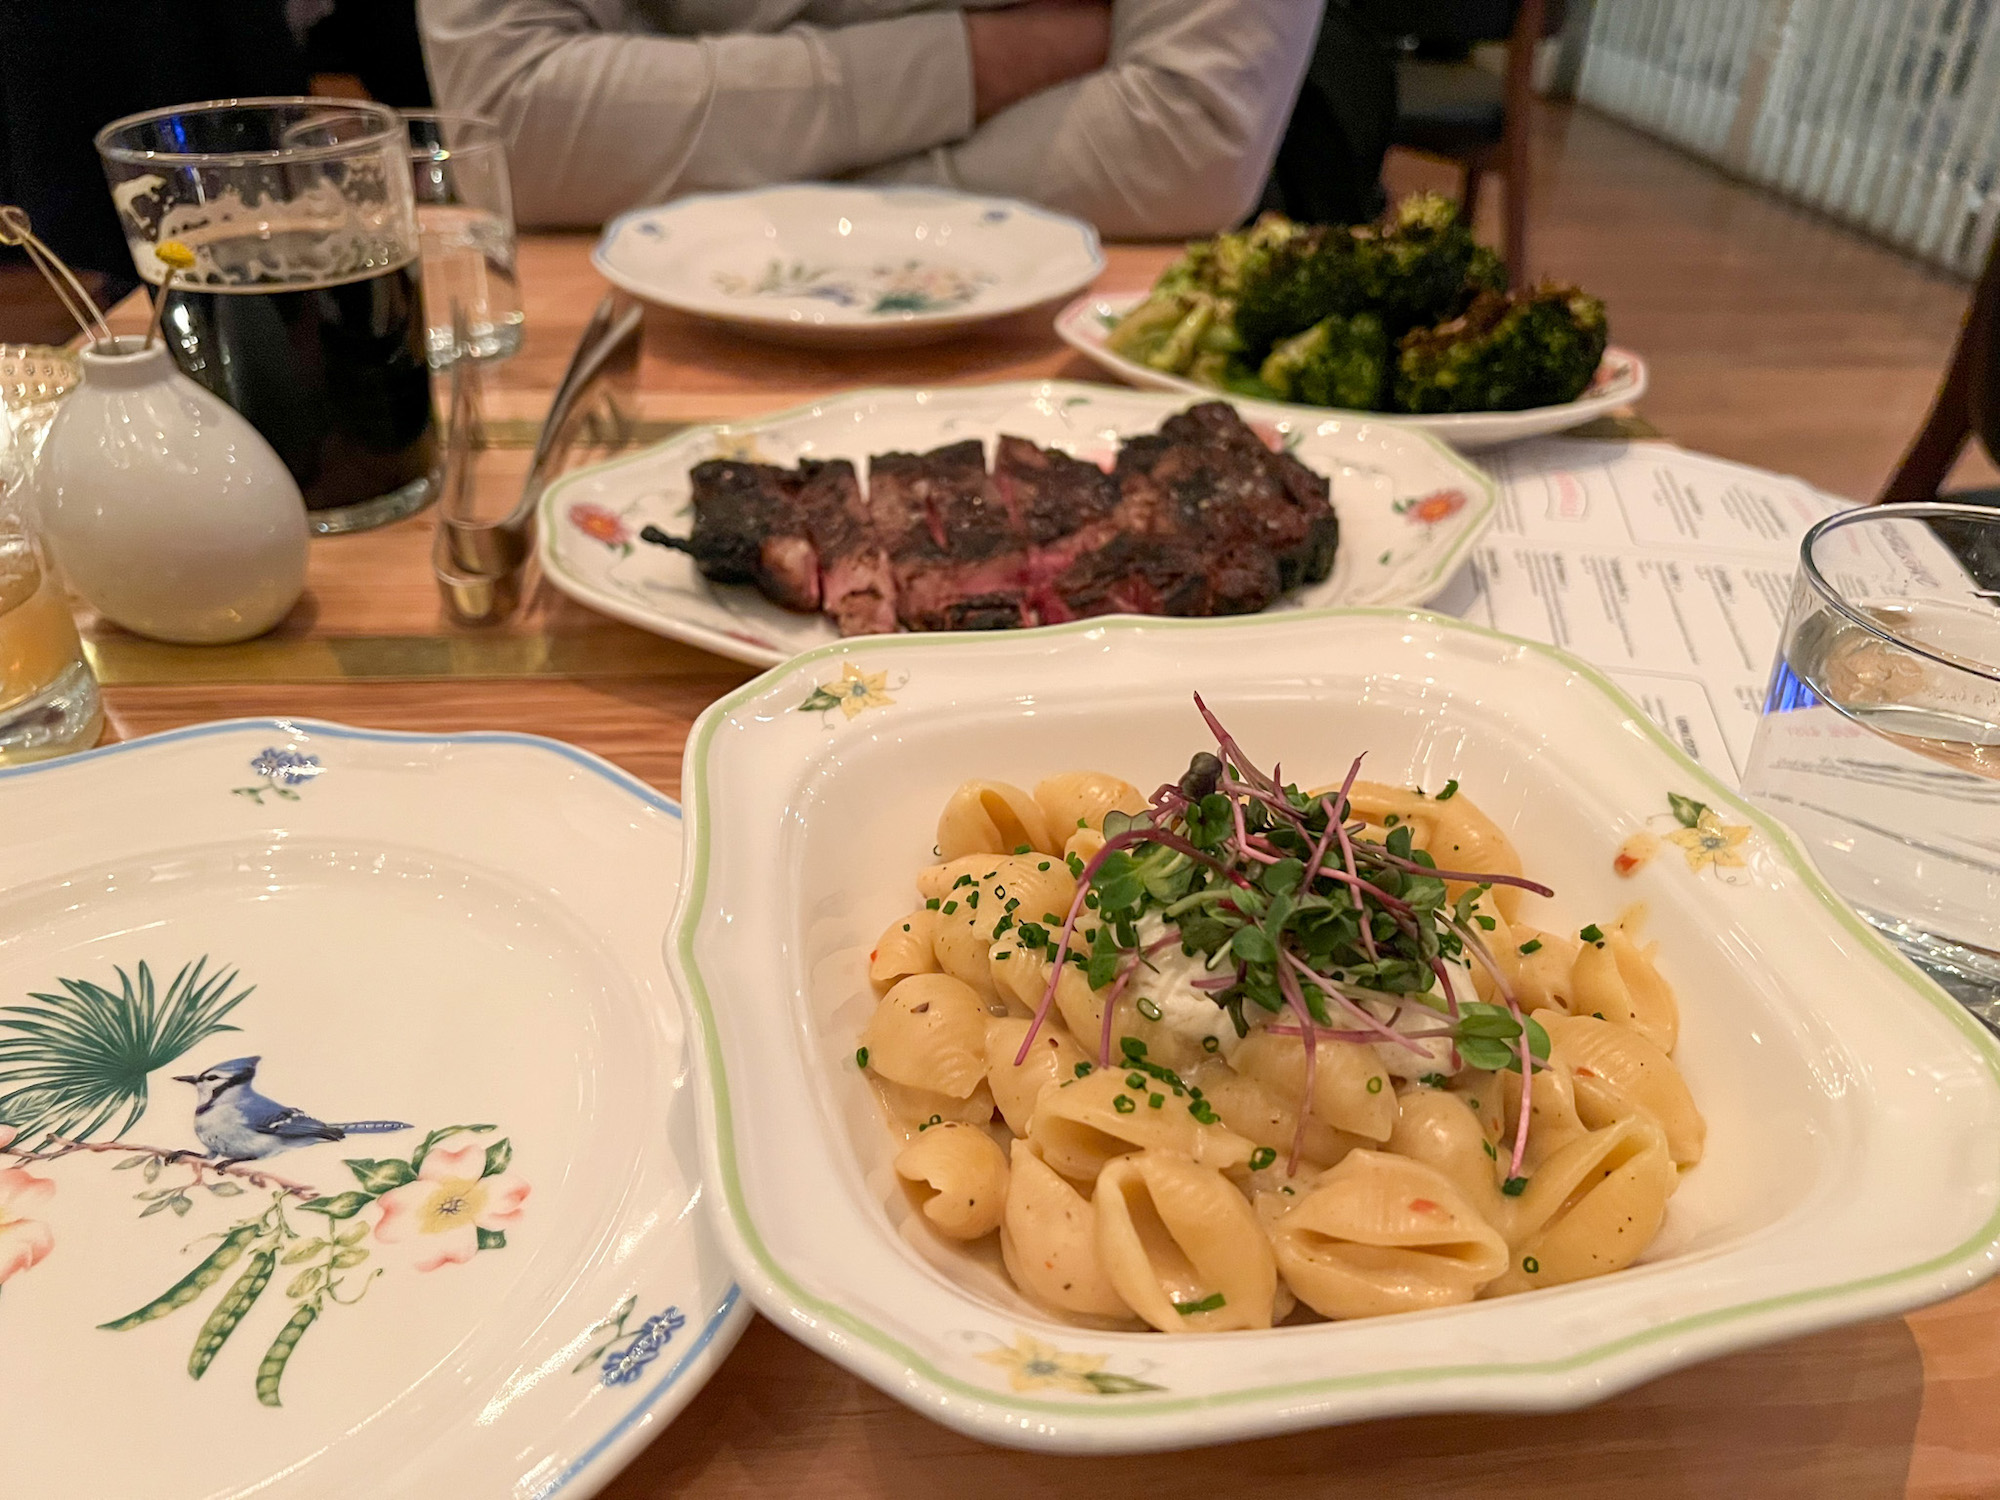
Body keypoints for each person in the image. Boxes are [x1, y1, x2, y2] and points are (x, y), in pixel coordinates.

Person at [417, 0, 1321, 238]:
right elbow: (516, 131)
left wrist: (695, 149)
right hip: (622, 314)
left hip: (1098, 306)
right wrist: (983, 59)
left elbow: (1186, 140)